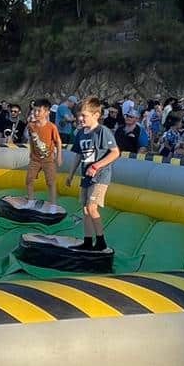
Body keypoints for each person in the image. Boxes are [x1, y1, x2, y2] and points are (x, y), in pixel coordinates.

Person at [69, 97, 121, 252]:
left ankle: (101, 242)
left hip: (100, 176)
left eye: (84, 115)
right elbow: (78, 155)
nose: (80, 118)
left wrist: (97, 165)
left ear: (96, 115)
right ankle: (87, 240)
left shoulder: (102, 132)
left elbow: (115, 153)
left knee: (92, 208)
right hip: (86, 176)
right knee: (85, 209)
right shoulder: (80, 133)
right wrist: (71, 174)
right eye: (79, 115)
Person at [24, 99, 63, 208]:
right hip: (35, 159)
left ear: (47, 112)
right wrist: (31, 153)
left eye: (39, 111)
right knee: (29, 179)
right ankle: (30, 201)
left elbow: (58, 142)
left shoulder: (51, 127)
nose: (36, 113)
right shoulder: (31, 126)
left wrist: (59, 156)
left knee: (50, 182)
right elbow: (31, 140)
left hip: (48, 159)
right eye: (34, 110)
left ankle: (53, 204)